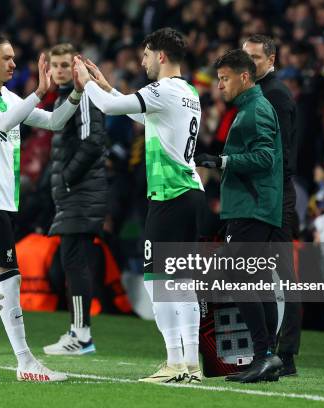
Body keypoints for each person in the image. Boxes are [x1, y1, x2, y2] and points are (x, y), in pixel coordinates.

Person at [0, 34, 83, 382]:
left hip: (2, 200)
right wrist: (38, 91)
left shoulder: (8, 96)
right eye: (6, 58)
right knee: (10, 277)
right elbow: (3, 122)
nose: (13, 64)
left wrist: (76, 94)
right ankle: (26, 362)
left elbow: (54, 122)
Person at [74, 27, 205, 383]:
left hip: (170, 194)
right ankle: (191, 363)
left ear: (161, 56)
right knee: (182, 281)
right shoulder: (188, 91)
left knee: (157, 281)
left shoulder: (162, 89)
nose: (142, 61)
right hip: (192, 192)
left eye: (146, 54)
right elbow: (142, 114)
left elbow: (114, 109)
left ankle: (174, 363)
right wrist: (105, 86)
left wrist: (85, 83)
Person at [197, 49, 283, 383]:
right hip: (252, 206)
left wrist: (223, 162)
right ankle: (267, 358)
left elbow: (264, 157)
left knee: (237, 278)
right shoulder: (250, 109)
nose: (219, 86)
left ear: (244, 78)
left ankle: (264, 354)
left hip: (253, 208)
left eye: (224, 78)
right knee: (257, 283)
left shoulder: (256, 110)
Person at [42, 43, 107, 356]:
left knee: (75, 261)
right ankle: (77, 331)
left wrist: (67, 177)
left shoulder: (85, 95)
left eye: (65, 65)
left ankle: (81, 335)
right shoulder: (64, 97)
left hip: (82, 192)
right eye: (55, 65)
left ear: (77, 65)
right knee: (71, 261)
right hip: (75, 193)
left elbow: (92, 142)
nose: (59, 70)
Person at [243, 34, 302, 377]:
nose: (249, 63)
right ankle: (272, 352)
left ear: (271, 59)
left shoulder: (275, 95)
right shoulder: (260, 93)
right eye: (245, 56)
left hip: (275, 193)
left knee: (281, 274)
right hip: (266, 192)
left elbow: (280, 155)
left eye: (255, 57)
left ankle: (287, 353)